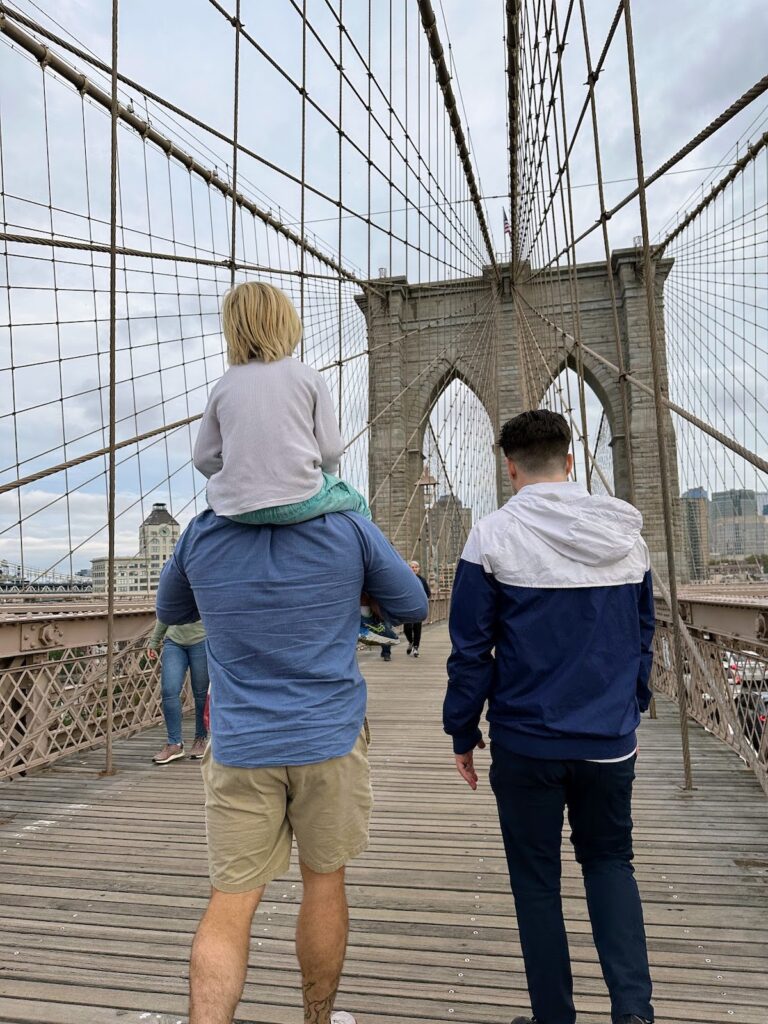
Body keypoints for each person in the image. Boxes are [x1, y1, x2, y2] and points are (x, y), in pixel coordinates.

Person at [443, 409, 655, 1024]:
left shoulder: (490, 537)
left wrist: (463, 730)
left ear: (509, 468)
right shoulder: (626, 536)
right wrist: (629, 705)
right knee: (611, 862)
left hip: (526, 744)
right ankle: (634, 1015)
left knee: (537, 884)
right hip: (609, 742)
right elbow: (644, 636)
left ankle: (553, 1018)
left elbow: (470, 652)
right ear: (571, 459)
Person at [192, 280, 397, 649]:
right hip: (301, 499)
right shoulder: (307, 377)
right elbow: (331, 453)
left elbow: (203, 458)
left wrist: (240, 476)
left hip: (236, 508)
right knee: (359, 504)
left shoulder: (223, 386)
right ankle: (367, 613)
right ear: (288, 325)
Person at [147, 619, 208, 764]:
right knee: (169, 690)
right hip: (174, 641)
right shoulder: (173, 594)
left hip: (202, 640)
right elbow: (165, 611)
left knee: (201, 694)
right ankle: (174, 744)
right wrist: (154, 640)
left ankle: (201, 738)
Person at [403, 560, 431, 657]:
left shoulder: (422, 580)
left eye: (416, 567)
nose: (414, 569)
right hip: (407, 607)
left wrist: (423, 600)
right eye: (412, 567)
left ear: (418, 569)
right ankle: (410, 642)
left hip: (418, 607)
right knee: (407, 628)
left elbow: (428, 593)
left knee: (417, 628)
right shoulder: (404, 579)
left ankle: (415, 647)